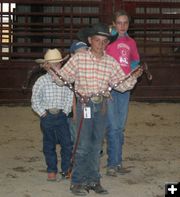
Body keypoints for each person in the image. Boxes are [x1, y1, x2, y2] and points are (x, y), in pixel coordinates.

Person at [43, 23, 142, 196]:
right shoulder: (79, 59)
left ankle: (93, 180)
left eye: (104, 41)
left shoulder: (111, 62)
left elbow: (122, 85)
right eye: (97, 40)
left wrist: (133, 77)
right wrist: (51, 70)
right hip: (84, 106)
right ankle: (77, 182)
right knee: (82, 145)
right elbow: (62, 78)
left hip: (102, 106)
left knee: (96, 146)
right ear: (90, 40)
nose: (101, 44)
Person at [105, 9, 140, 177]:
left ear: (129, 24)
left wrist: (134, 71)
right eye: (119, 22)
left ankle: (118, 162)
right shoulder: (107, 40)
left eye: (125, 23)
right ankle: (112, 163)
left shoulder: (131, 42)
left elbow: (135, 60)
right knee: (112, 126)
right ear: (114, 24)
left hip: (124, 88)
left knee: (120, 127)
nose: (122, 26)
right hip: (110, 88)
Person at [31, 48, 74, 181]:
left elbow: (69, 95)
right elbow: (35, 99)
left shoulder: (65, 80)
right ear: (45, 66)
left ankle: (66, 169)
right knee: (49, 144)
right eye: (52, 65)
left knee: (67, 144)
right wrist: (43, 113)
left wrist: (66, 111)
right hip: (47, 116)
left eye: (57, 64)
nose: (55, 67)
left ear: (61, 64)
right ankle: (52, 169)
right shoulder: (41, 81)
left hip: (61, 116)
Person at [68, 40, 88, 144]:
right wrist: (74, 113)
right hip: (74, 110)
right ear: (72, 55)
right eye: (79, 53)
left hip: (87, 107)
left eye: (85, 51)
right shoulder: (69, 72)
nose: (83, 55)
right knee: (75, 132)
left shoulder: (90, 70)